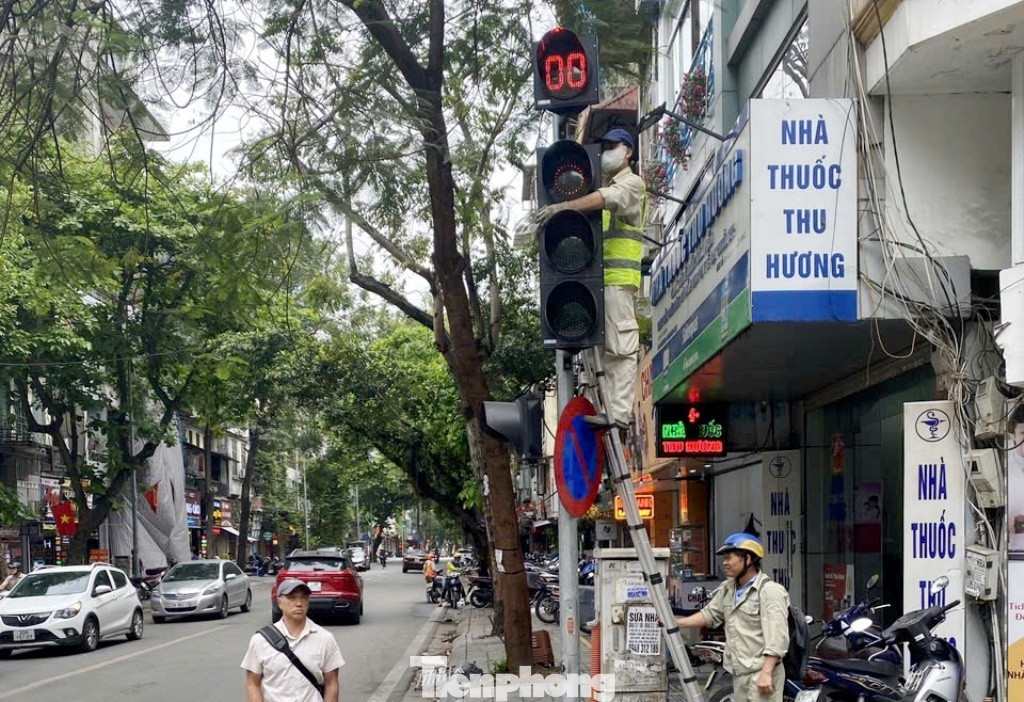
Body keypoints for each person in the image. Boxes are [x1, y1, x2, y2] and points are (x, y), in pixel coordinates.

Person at [537, 127, 646, 430]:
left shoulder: (633, 184)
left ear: (629, 152)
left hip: (617, 282)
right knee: (602, 348)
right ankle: (607, 412)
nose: (608, 151)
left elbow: (606, 199)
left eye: (614, 146)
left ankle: (620, 414)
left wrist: (563, 206)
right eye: (605, 146)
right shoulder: (600, 189)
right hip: (595, 282)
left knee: (620, 349)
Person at [675, 533, 790, 702]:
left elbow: (777, 639)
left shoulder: (770, 592)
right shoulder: (729, 589)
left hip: (762, 674)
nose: (725, 563)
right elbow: (709, 614)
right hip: (740, 675)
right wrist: (676, 623)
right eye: (724, 558)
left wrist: (766, 673)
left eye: (729, 558)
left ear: (748, 559)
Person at [242, 579, 344, 702]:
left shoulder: (325, 639)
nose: (299, 603)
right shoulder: (260, 640)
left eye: (304, 598)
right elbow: (253, 684)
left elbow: (331, 683)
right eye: (291, 598)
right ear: (279, 603)